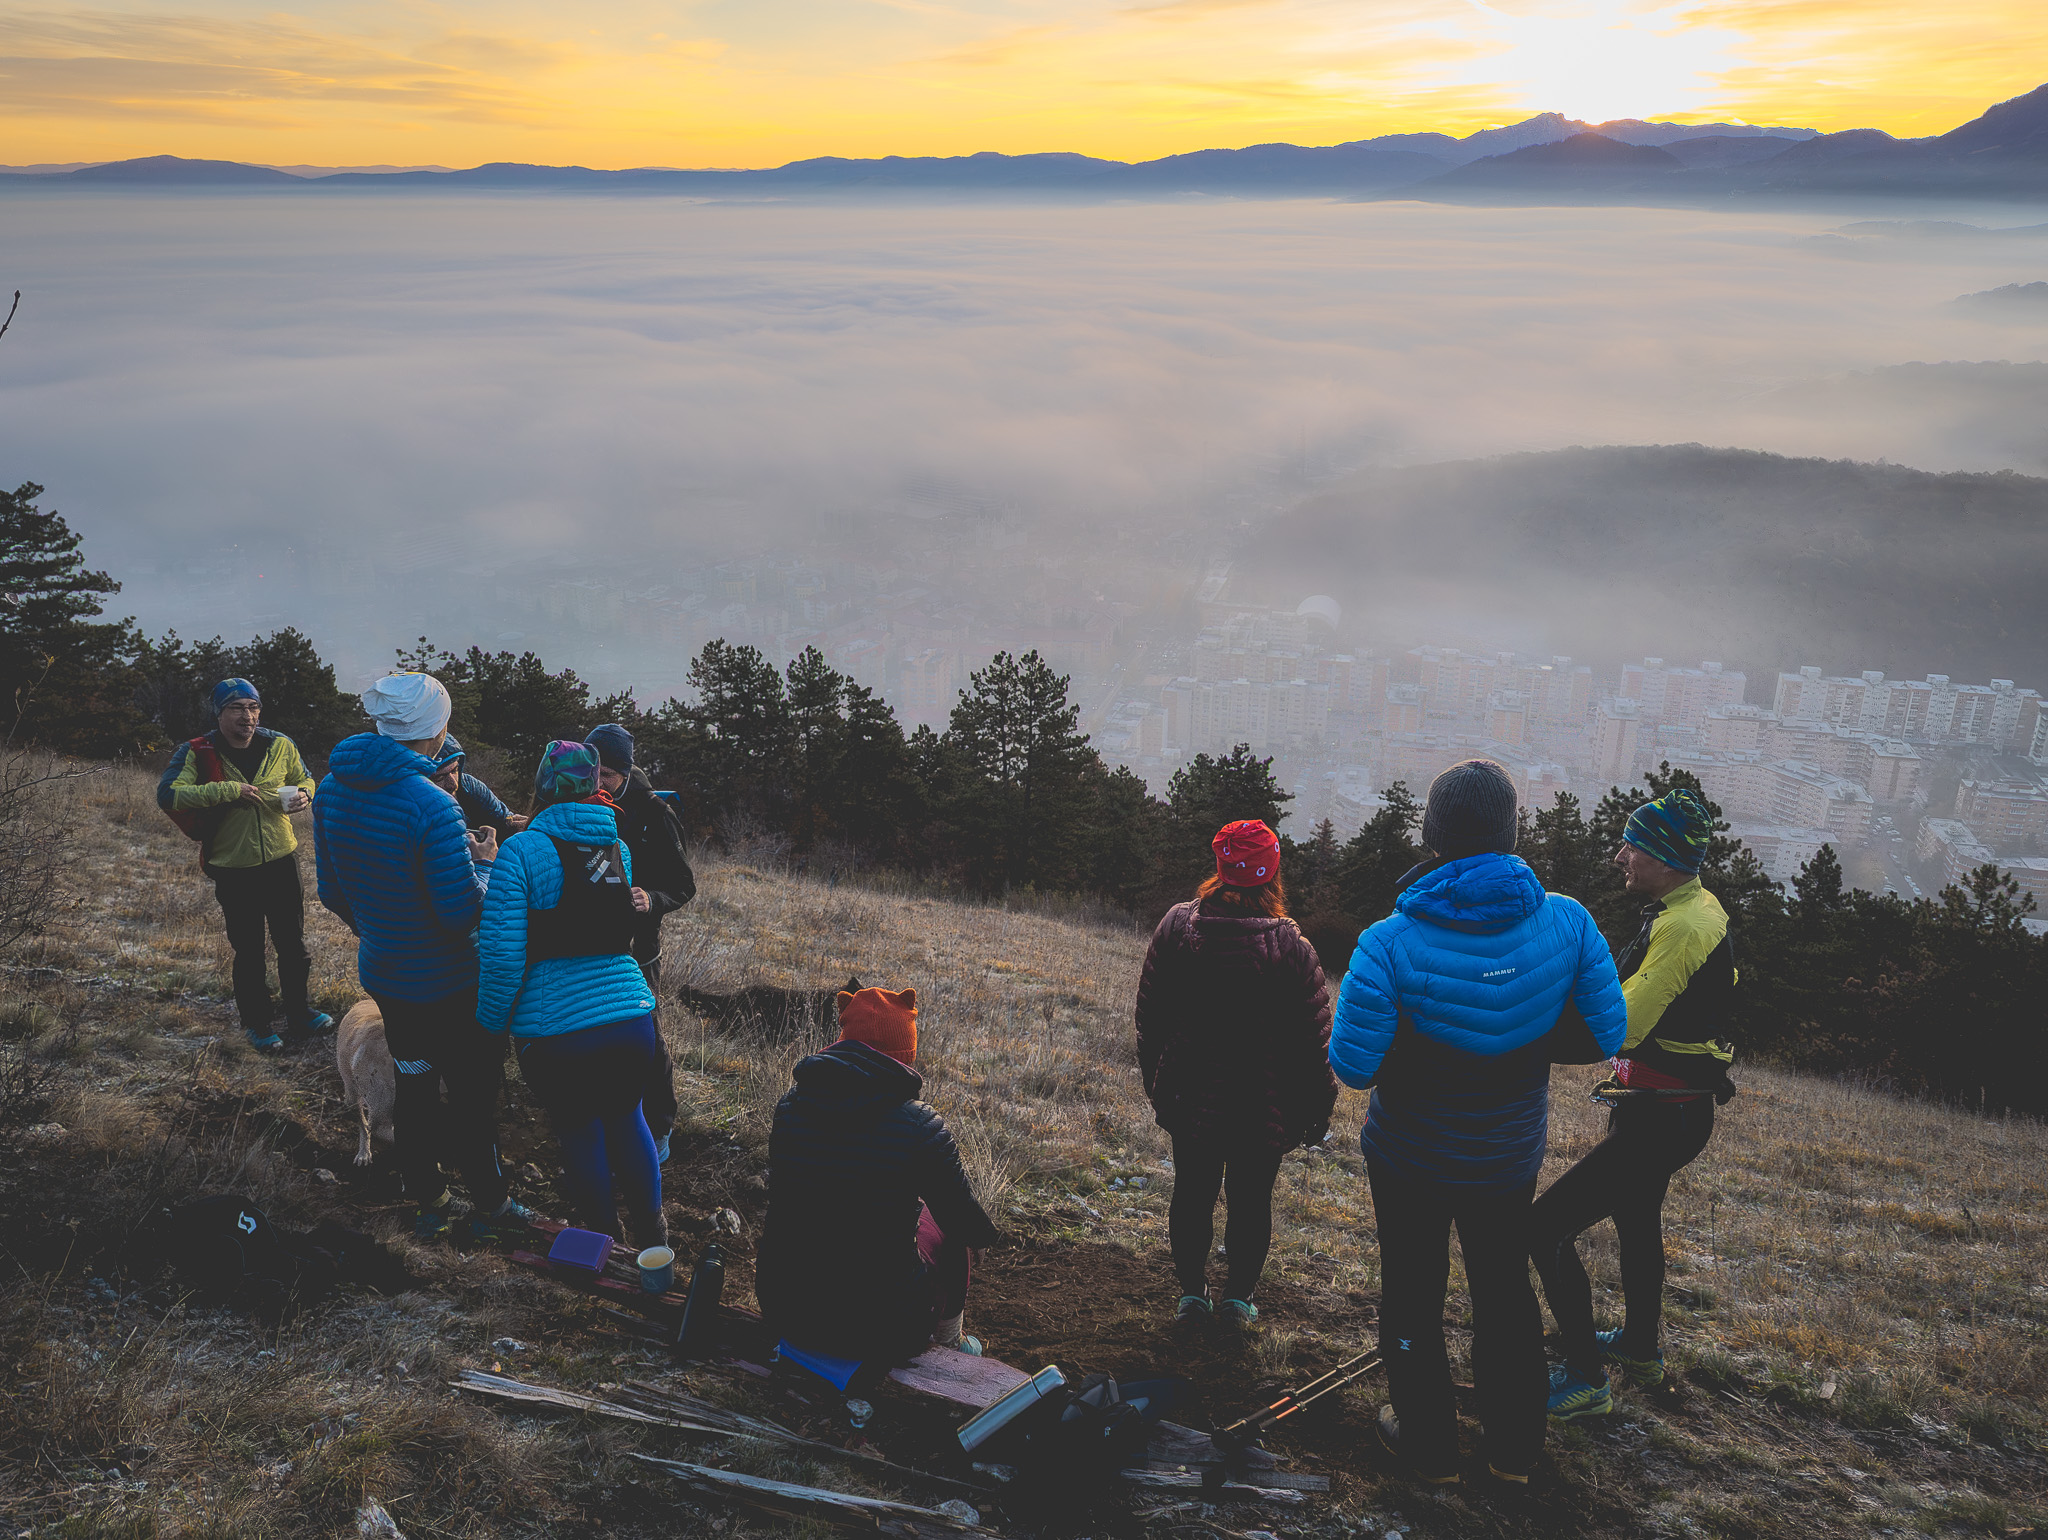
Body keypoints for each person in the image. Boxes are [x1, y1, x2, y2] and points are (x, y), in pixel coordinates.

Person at [1329, 759, 1627, 1488]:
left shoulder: (1387, 943)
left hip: (1410, 1156)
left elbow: (1353, 1067)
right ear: (1512, 832)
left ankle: (1428, 1448)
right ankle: (1515, 1452)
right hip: (1506, 1154)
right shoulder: (1569, 922)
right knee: (1503, 1290)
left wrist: (1433, 1056)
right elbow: (1606, 1032)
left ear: (1430, 835)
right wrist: (1517, 1047)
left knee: (1411, 1288)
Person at [1531, 788, 1736, 1421]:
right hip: (1667, 1107)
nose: (1619, 856)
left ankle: (1587, 1381)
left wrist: (1520, 1042)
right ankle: (1640, 1348)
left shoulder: (1681, 925)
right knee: (1636, 1217)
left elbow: (1619, 1026)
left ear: (1665, 857)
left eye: (1631, 847)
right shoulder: (1694, 905)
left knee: (1542, 1229)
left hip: (1660, 1115)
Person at [315, 672, 529, 1242]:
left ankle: (427, 1192)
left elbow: (332, 892)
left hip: (386, 974)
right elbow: (460, 915)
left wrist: (385, 930)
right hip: (451, 981)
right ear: (434, 731)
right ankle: (490, 1201)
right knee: (470, 1090)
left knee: (413, 1078)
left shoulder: (332, 787)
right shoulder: (433, 806)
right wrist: (485, 862)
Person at [1135, 819, 1337, 1327]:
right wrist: (1319, 1106)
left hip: (1189, 1098)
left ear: (1220, 868)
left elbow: (1151, 1018)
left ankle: (1192, 1296)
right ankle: (1239, 1301)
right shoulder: (1293, 950)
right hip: (1264, 1107)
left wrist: (1159, 1086)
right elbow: (1313, 1044)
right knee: (1251, 1203)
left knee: (1191, 1194)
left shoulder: (1178, 928)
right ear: (1273, 875)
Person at [478, 741, 665, 1247]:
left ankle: (606, 1241)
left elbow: (500, 955)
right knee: (629, 1117)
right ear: (593, 787)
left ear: (542, 788)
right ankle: (653, 1236)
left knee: (580, 1130)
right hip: (630, 1017)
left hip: (557, 1031)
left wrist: (492, 1025)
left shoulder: (520, 852)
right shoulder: (616, 849)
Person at [756, 986, 1001, 1364]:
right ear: (905, 1055)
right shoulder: (920, 1124)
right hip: (884, 1329)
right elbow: (961, 1216)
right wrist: (980, 1236)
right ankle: (950, 1339)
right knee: (947, 1227)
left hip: (787, 1310)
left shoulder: (789, 1107)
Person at [156, 678, 331, 1048]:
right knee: (249, 950)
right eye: (236, 708)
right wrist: (227, 790)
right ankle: (257, 1024)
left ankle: (299, 1012)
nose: (246, 716)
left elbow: (304, 777)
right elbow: (169, 794)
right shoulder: (198, 752)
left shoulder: (280, 744)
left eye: (252, 708)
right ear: (219, 713)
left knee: (293, 943)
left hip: (282, 858)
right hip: (233, 866)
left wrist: (305, 794)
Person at [585, 723, 694, 1159]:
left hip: (639, 952)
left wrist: (653, 898)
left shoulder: (653, 814)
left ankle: (660, 1128)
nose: (598, 782)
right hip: (592, 945)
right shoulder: (584, 802)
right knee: (598, 1034)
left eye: (608, 775)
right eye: (594, 770)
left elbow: (684, 884)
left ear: (626, 772)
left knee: (647, 1040)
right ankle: (610, 1120)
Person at [427, 733, 528, 841]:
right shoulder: (414, 811)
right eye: (440, 778)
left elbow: (502, 819)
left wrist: (514, 825)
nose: (453, 784)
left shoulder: (469, 787)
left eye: (455, 770)